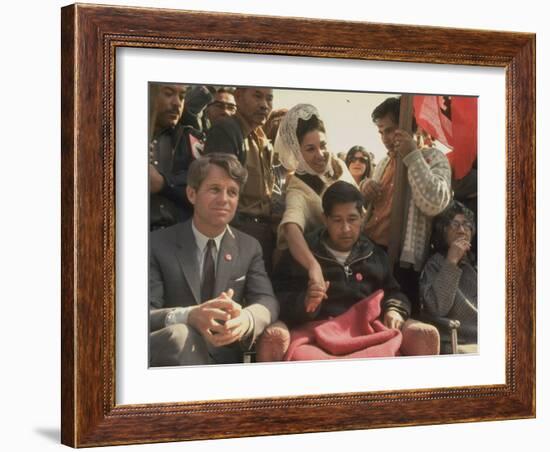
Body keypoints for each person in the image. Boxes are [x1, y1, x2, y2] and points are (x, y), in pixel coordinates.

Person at [272, 181, 439, 358]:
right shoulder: (303, 253)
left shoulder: (373, 254)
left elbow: (394, 292)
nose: (345, 229)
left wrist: (394, 309)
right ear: (324, 219)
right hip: (316, 336)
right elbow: (278, 296)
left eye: (352, 219)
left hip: (367, 334)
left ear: (362, 217)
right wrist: (304, 302)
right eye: (337, 220)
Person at [149, 153, 279, 366]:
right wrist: (189, 316)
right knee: (180, 335)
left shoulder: (249, 247)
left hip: (224, 361)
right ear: (192, 194)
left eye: (232, 192)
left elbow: (267, 301)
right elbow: (142, 313)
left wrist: (246, 319)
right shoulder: (157, 244)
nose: (224, 199)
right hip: (172, 362)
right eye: (215, 189)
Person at [361, 96, 452, 311]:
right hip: (371, 251)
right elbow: (370, 210)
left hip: (404, 262)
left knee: (397, 316)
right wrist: (365, 189)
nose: (385, 138)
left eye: (391, 130)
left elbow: (434, 202)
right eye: (381, 132)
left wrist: (412, 155)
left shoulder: (434, 159)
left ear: (413, 128)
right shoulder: (383, 162)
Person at [275, 103, 356, 313]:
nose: (320, 154)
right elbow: (291, 226)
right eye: (310, 149)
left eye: (323, 145)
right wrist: (313, 266)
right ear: (297, 152)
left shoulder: (337, 165)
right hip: (322, 269)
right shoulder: (297, 187)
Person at [204, 87, 277, 274]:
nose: (264, 105)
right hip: (238, 233)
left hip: (262, 232)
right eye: (257, 96)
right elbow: (219, 193)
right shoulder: (227, 130)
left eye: (269, 99)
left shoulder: (260, 139)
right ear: (238, 97)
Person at [419, 201, 477, 354]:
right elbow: (437, 308)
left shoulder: (476, 263)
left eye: (466, 225)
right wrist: (451, 261)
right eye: (455, 224)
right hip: (463, 340)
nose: (462, 230)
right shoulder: (435, 264)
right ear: (443, 231)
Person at [148, 83, 205, 230]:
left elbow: (203, 187)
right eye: (168, 94)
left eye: (182, 96)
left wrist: (163, 183)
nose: (177, 103)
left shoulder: (190, 138)